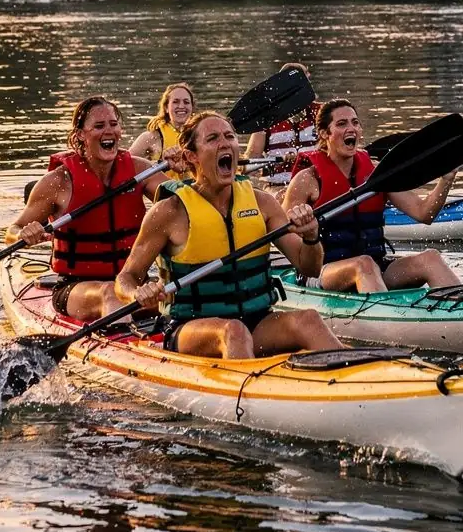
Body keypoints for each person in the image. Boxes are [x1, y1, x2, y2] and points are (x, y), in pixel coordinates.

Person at [115, 110, 340, 359]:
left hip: (257, 321)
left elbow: (310, 268)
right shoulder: (169, 212)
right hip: (190, 328)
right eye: (212, 138)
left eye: (229, 136)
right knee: (233, 331)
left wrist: (311, 237)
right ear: (191, 156)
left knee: (309, 320)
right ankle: (250, 384)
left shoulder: (262, 203)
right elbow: (126, 278)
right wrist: (137, 293)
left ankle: (356, 376)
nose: (225, 143)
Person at [7, 95, 176, 321]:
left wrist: (193, 165)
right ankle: (125, 338)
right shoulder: (58, 182)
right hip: (76, 287)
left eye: (113, 124)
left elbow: (186, 203)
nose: (109, 131)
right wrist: (23, 233)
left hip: (133, 284)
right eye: (99, 126)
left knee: (176, 293)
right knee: (110, 293)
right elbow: (12, 231)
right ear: (80, 135)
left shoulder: (140, 171)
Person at [282, 98, 462, 294]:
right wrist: (302, 224)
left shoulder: (377, 174)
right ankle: (387, 313)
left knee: (430, 258)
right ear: (325, 133)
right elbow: (284, 233)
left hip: (375, 268)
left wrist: (446, 179)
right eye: (341, 124)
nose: (351, 128)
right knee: (364, 264)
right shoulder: (307, 179)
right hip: (322, 274)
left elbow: (424, 213)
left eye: (355, 122)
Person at [242, 61, 319, 185]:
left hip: (316, 185)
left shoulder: (322, 113)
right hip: (277, 187)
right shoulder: (266, 119)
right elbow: (249, 164)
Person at [129, 82, 195, 175]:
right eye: (175, 102)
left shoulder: (200, 137)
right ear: (166, 108)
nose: (181, 106)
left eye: (186, 102)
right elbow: (125, 164)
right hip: (161, 184)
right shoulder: (150, 137)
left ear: (192, 107)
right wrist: (161, 164)